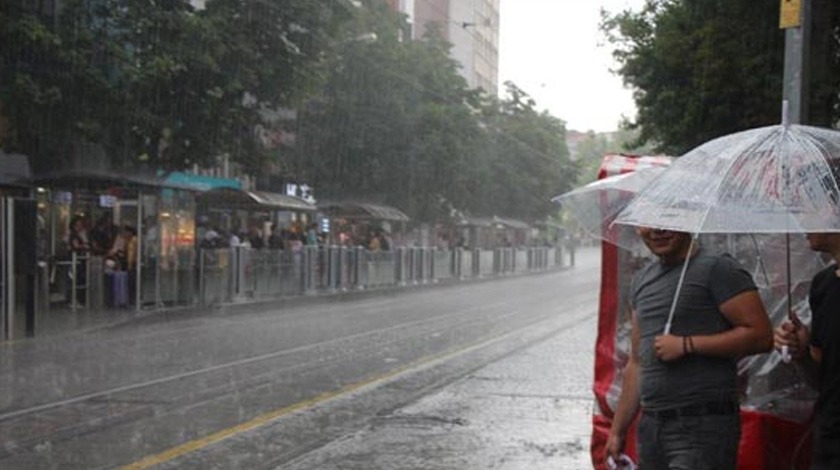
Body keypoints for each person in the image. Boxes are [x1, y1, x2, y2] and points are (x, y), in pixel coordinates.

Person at [605, 227, 773, 469]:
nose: (657, 230)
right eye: (648, 223)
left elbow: (761, 335)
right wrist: (617, 430)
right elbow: (638, 362)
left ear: (687, 221)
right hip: (652, 428)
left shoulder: (718, 269)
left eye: (667, 220)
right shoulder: (642, 281)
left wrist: (687, 344)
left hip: (702, 425)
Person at [774, 232, 840, 469]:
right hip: (829, 440)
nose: (802, 221)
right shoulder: (823, 283)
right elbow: (823, 378)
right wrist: (802, 354)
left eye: (812, 210)